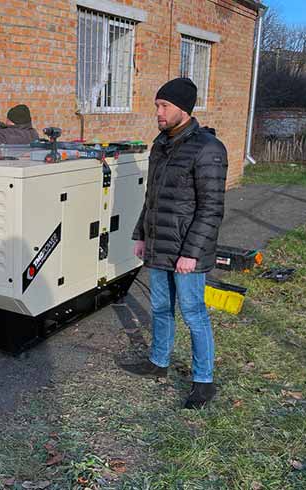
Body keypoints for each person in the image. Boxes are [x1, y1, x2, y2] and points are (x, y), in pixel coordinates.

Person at [124, 77, 228, 410]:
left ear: (182, 108)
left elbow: (211, 209)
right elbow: (152, 197)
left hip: (187, 251)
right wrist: (141, 234)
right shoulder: (161, 144)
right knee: (160, 308)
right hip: (158, 243)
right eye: (157, 105)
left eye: (164, 106)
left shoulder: (209, 149)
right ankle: (158, 362)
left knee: (194, 313)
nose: (158, 112)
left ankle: (203, 381)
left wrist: (190, 254)